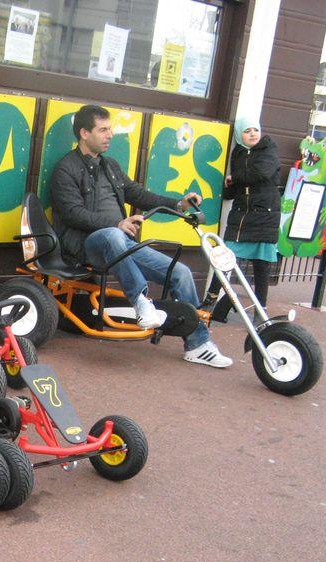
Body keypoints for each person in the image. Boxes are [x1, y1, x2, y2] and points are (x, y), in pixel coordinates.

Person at [49, 104, 232, 368]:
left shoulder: (109, 166)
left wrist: (178, 205)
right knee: (112, 234)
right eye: (103, 129)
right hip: (86, 245)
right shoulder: (66, 168)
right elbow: (72, 213)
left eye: (110, 129)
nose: (110, 134)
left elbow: (140, 195)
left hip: (121, 244)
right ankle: (140, 302)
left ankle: (198, 344)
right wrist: (117, 222)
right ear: (84, 133)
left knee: (180, 273)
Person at [205, 115, 280, 313]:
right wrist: (229, 186)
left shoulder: (269, 149)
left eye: (255, 129)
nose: (253, 134)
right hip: (242, 213)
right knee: (226, 256)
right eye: (247, 131)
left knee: (261, 264)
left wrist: (235, 178)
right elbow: (234, 186)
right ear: (240, 135)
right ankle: (210, 301)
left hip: (264, 214)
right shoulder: (238, 153)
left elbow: (262, 172)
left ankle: (261, 308)